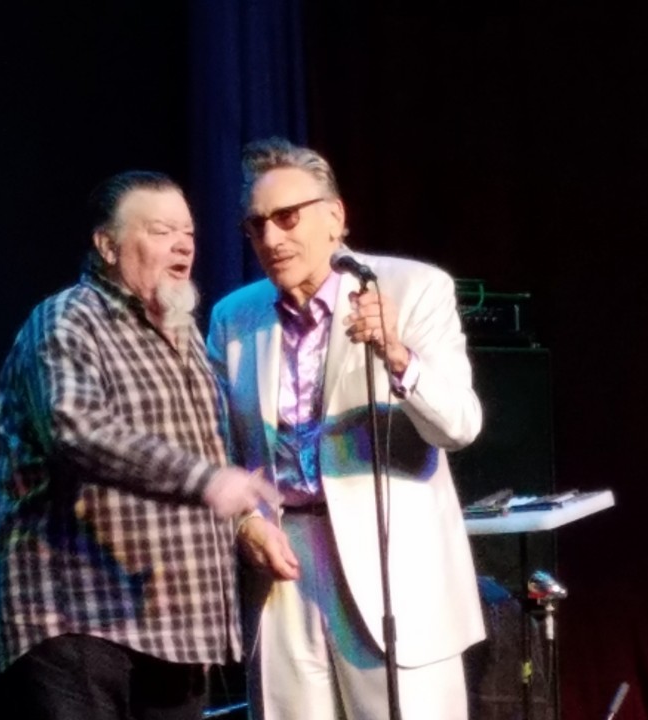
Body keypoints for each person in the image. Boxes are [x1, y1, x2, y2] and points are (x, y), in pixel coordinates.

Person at [207, 138, 486, 720]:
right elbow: (214, 445)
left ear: (335, 217)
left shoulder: (412, 288)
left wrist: (397, 355)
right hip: (282, 564)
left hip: (393, 568)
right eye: (256, 225)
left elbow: (459, 426)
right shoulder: (235, 317)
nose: (271, 239)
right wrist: (242, 523)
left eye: (287, 217)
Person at [0, 170, 279, 720]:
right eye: (161, 231)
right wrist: (206, 481)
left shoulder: (185, 335)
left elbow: (210, 452)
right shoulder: (68, 318)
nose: (183, 245)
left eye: (188, 233)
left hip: (177, 627)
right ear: (107, 245)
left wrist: (245, 520)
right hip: (80, 618)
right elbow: (76, 429)